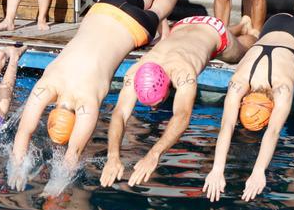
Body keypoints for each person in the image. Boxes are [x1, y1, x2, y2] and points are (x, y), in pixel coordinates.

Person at [7, 0, 185, 190]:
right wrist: (16, 165)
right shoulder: (48, 85)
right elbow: (24, 132)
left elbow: (73, 153)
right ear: (53, 109)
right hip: (103, 10)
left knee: (156, 12)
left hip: (133, 27)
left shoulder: (87, 102)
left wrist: (48, 185)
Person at [102, 13, 259, 188]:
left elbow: (182, 116)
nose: (154, 110)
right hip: (184, 24)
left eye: (158, 103)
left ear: (169, 84)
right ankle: (241, 25)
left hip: (216, 31)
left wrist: (154, 154)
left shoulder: (184, 72)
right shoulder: (136, 72)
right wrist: (113, 156)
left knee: (242, 50)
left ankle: (250, 32)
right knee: (205, 36)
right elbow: (119, 113)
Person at [204, 13, 294, 202]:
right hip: (272, 24)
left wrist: (258, 172)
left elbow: (272, 131)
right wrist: (216, 169)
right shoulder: (239, 83)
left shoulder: (281, 88)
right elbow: (227, 127)